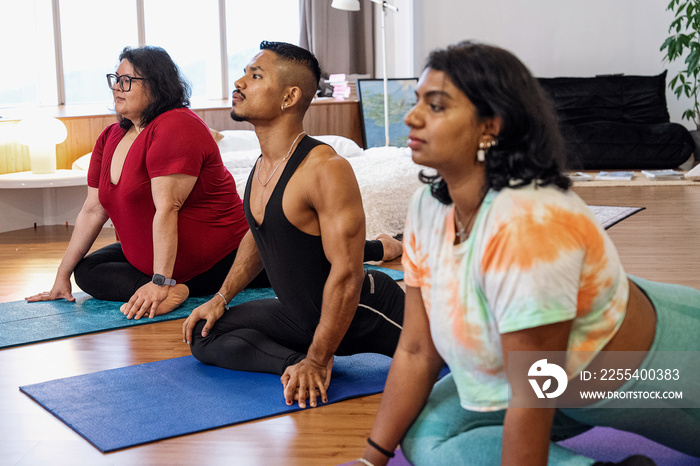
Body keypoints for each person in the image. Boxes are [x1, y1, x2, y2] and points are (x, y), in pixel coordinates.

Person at [351, 41, 700, 466]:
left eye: (437, 105)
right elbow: (417, 350)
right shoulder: (429, 207)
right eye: (417, 101)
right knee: (427, 434)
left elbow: (534, 390)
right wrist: (372, 459)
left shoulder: (529, 223)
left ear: (490, 127)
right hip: (556, 381)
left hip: (662, 369)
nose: (412, 116)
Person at [182, 41, 405, 409]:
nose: (239, 82)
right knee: (205, 333)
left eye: (255, 75)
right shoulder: (261, 167)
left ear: (289, 97)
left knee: (469, 363)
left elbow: (348, 275)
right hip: (297, 316)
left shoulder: (326, 169)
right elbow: (258, 238)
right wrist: (220, 298)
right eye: (245, 73)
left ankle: (317, 360)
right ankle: (294, 365)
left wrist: (318, 357)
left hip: (361, 312)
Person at [26, 45, 251, 319]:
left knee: (109, 272)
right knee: (86, 271)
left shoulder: (176, 125)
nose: (117, 88)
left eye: (127, 81)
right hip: (154, 258)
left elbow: (168, 208)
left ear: (157, 85)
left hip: (218, 258)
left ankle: (172, 287)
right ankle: (171, 287)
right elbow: (93, 210)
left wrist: (160, 282)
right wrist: (61, 279)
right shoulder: (110, 137)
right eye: (116, 79)